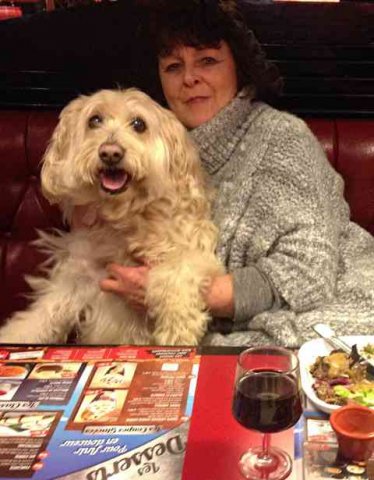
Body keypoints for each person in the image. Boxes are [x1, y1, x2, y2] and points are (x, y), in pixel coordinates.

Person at [73, 0, 374, 347]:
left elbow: (308, 272)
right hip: (212, 328)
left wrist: (176, 292)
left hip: (338, 307)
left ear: (239, 68)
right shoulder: (146, 153)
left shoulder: (283, 137)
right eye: (173, 66)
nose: (189, 78)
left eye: (207, 61)